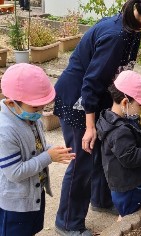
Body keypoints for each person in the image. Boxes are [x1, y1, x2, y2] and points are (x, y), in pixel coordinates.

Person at [53, 0, 141, 234]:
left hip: (97, 98)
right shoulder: (115, 36)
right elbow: (90, 83)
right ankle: (67, 222)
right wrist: (90, 127)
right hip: (77, 98)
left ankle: (101, 199)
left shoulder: (132, 29)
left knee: (102, 150)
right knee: (83, 160)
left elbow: (118, 75)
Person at [0, 64, 75, 235]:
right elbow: (15, 172)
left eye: (43, 107)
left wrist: (52, 150)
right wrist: (48, 157)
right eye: (35, 108)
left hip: (34, 194)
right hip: (15, 204)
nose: (40, 112)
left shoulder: (31, 119)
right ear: (12, 102)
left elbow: (37, 148)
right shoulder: (4, 131)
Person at [96, 70, 141, 221]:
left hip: (127, 182)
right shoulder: (119, 131)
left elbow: (138, 132)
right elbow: (129, 157)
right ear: (125, 102)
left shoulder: (112, 117)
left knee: (127, 213)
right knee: (128, 216)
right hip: (129, 186)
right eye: (140, 105)